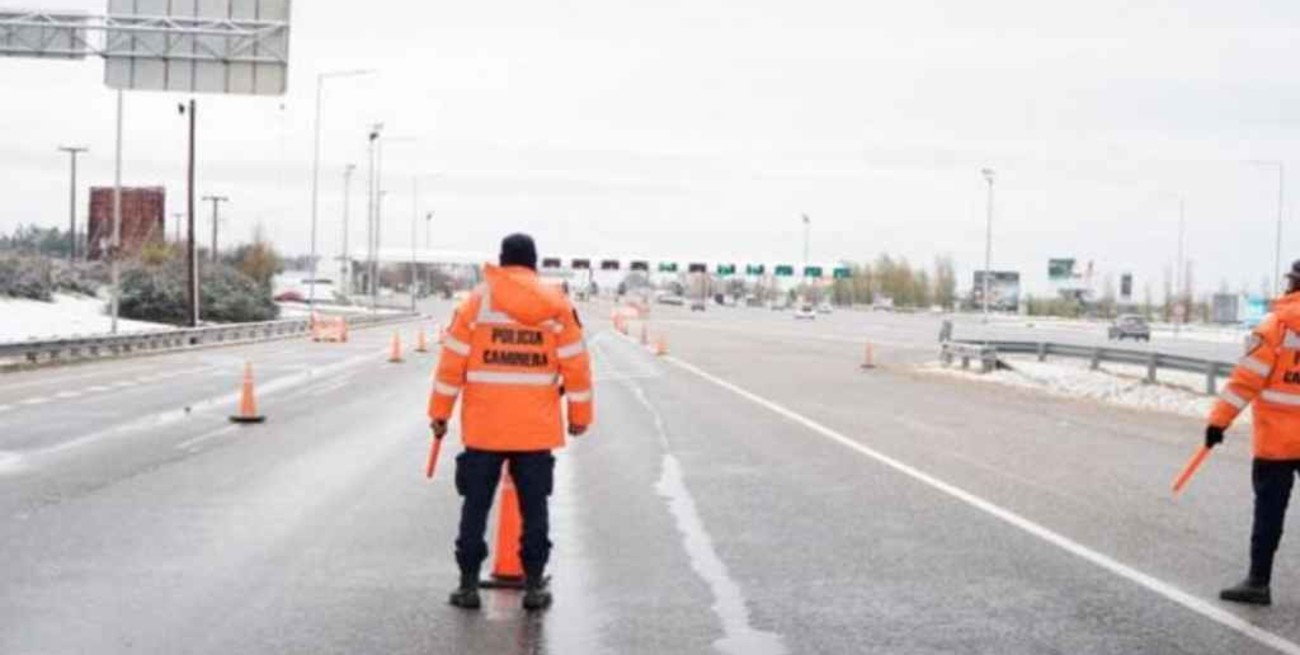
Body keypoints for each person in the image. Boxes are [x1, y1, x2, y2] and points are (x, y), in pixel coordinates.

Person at [428, 233, 594, 611]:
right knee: (534, 510)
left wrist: (440, 413)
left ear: (502, 261)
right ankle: (533, 587)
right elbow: (577, 367)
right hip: (535, 430)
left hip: (484, 428)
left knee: (475, 507)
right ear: (534, 263)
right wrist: (579, 417)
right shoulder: (556, 305)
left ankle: (468, 586)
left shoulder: (477, 302)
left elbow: (451, 364)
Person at [1207, 260, 1300, 606]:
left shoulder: (1274, 326)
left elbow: (1245, 381)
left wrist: (1218, 423)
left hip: (1276, 442)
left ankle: (1258, 582)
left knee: (1269, 514)